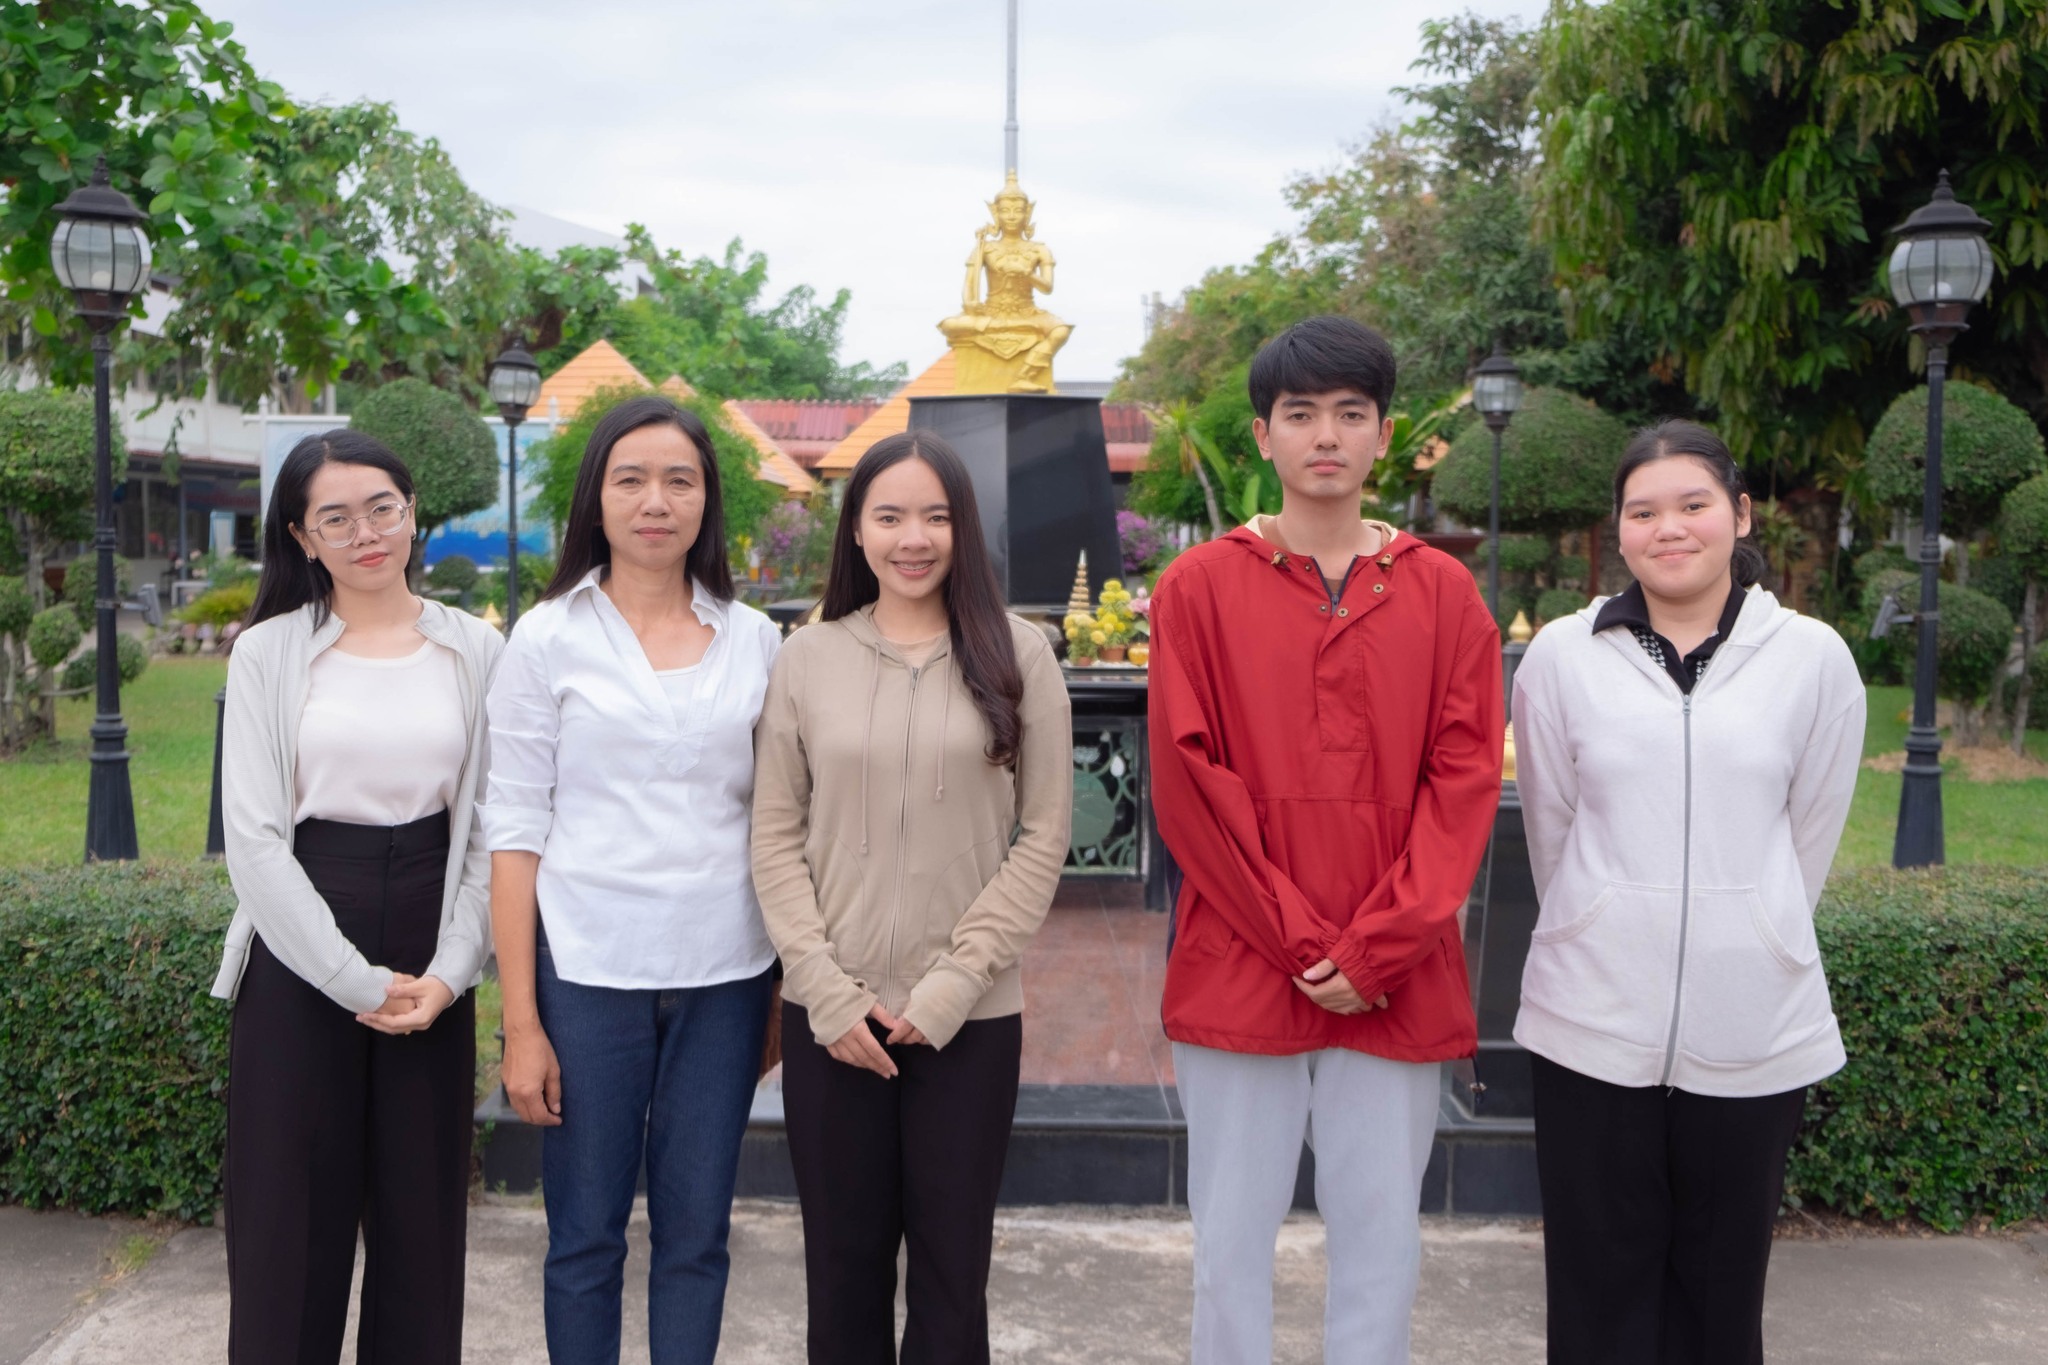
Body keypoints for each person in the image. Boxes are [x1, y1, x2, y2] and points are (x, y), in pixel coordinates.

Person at [1148, 316, 1505, 1365]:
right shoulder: (1200, 588)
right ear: (1262, 434)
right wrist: (1303, 940)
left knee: (1381, 1249)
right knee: (1227, 1251)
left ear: (1382, 436)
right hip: (1241, 965)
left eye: (1350, 414)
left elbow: (1462, 782)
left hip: (1395, 978)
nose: (1324, 436)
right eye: (1299, 414)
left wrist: (1371, 948)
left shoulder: (1441, 592)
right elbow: (1187, 783)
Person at [1511, 420, 1865, 1365]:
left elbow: (1807, 836)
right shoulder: (1560, 654)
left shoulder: (1814, 658)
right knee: (1594, 1297)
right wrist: (1600, 920)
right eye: (1644, 510)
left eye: (1693, 504)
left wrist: (1751, 927)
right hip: (1590, 1023)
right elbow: (1553, 827)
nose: (1670, 527)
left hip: (1751, 1029)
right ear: (1619, 530)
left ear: (1739, 515)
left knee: (1720, 1297)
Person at [751, 430, 1072, 1365]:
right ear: (857, 531)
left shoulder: (1019, 653)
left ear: (962, 529)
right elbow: (774, 834)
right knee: (841, 1275)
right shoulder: (806, 659)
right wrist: (824, 987)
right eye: (890, 515)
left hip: (968, 1018)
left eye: (935, 516)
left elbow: (1043, 834)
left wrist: (951, 986)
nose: (913, 537)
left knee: (950, 1276)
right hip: (835, 1020)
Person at [483, 396, 783, 1365]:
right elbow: (515, 833)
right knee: (583, 1238)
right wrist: (521, 1023)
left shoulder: (755, 640)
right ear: (596, 498)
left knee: (696, 1239)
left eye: (679, 480)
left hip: (724, 980)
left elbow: (782, 822)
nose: (655, 501)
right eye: (630, 479)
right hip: (586, 980)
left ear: (706, 501)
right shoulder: (545, 638)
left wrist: (779, 993)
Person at [213, 430, 502, 1364]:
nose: (366, 532)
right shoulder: (266, 652)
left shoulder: (477, 649)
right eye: (335, 517)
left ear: (414, 512)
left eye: (383, 507)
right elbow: (255, 842)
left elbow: (493, 826)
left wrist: (452, 971)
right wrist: (352, 979)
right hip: (302, 943)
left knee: (422, 1228)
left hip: (430, 938)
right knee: (286, 1227)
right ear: (301, 536)